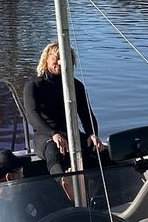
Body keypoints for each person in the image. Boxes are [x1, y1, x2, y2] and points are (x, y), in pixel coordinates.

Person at [23, 41, 102, 179]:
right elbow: (32, 115)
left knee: (95, 148)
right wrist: (53, 133)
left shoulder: (76, 86)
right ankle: (64, 182)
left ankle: (98, 188)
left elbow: (86, 113)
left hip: (70, 133)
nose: (60, 63)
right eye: (56, 59)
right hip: (44, 135)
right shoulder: (34, 85)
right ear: (46, 59)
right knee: (53, 149)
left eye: (64, 59)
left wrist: (92, 133)